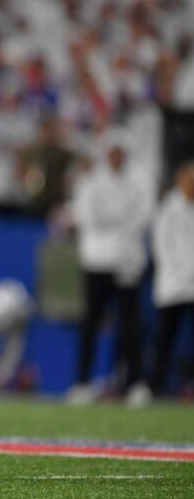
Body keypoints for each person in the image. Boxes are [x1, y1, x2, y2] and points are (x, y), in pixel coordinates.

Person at [67, 131, 154, 406]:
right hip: (97, 260)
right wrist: (119, 220)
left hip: (128, 261)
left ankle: (135, 384)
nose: (115, 157)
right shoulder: (91, 181)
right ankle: (82, 382)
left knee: (131, 326)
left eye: (120, 152)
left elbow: (144, 218)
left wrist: (113, 221)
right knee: (90, 324)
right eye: (112, 152)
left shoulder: (140, 180)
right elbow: (87, 217)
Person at [149, 161, 194, 397]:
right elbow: (162, 248)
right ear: (180, 179)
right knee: (165, 338)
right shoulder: (168, 209)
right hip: (173, 282)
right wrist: (182, 270)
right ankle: (155, 387)